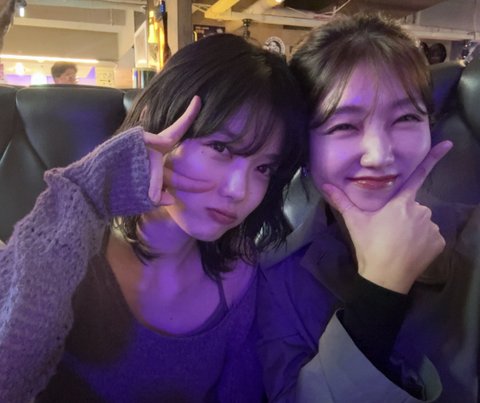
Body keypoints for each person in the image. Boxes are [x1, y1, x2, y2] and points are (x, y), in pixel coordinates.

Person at [0, 33, 306, 402]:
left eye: (264, 168)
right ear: (155, 119)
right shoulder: (70, 246)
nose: (239, 190)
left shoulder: (241, 270)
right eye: (220, 147)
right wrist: (85, 192)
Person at [257, 13, 480, 402]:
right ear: (302, 145)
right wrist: (379, 295)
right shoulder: (275, 282)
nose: (379, 155)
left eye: (406, 118)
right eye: (344, 126)